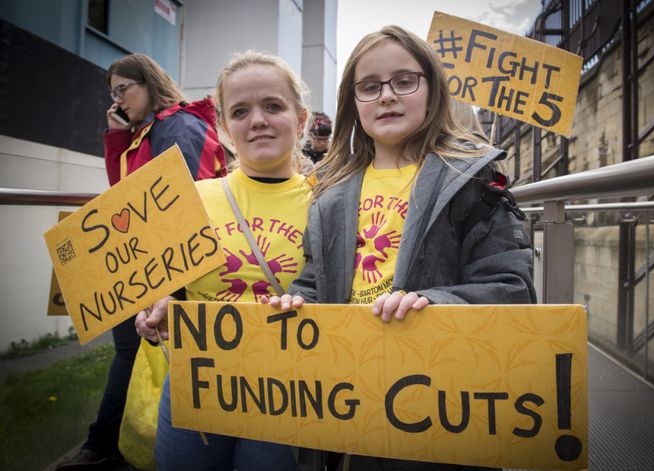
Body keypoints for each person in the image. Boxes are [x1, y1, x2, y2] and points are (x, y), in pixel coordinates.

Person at [268, 25, 536, 471]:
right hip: (351, 400)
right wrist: (299, 301)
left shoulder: (473, 181)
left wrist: (434, 302)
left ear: (431, 90)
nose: (387, 96)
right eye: (370, 87)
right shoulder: (328, 196)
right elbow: (316, 282)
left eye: (404, 81)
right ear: (353, 102)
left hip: (440, 406)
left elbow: (512, 287)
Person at [135, 50, 312, 471]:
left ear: (301, 119)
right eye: (240, 111)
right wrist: (159, 306)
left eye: (273, 106)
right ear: (224, 127)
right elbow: (167, 284)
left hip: (287, 392)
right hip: (196, 384)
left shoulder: (328, 202)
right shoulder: (190, 197)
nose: (257, 120)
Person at [56, 53, 226, 470]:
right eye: (112, 94)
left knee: (136, 351)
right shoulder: (148, 131)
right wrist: (117, 137)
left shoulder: (178, 126)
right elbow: (124, 197)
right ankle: (116, 442)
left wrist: (169, 282)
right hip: (148, 265)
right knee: (130, 350)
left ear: (148, 83)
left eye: (123, 90)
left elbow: (179, 202)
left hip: (170, 270)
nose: (117, 101)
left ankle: (113, 443)